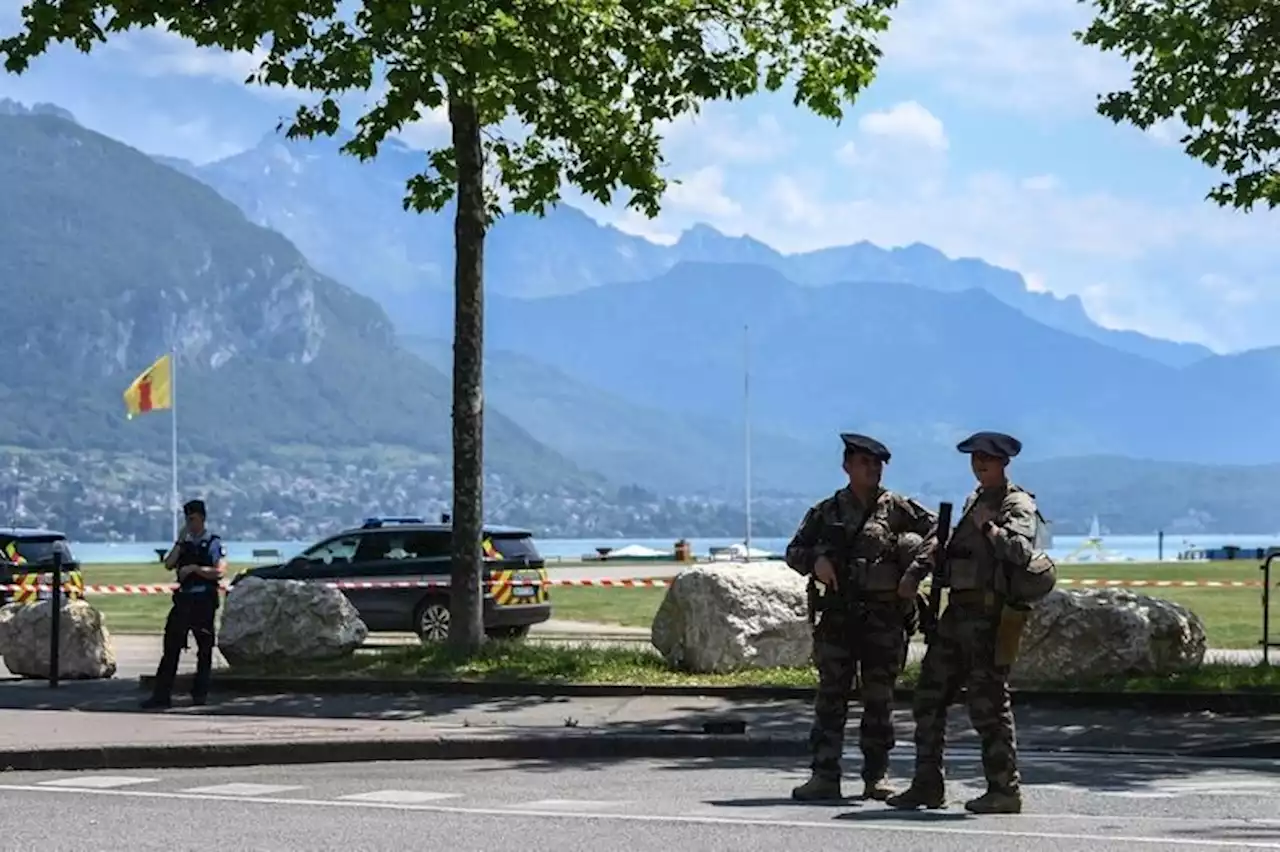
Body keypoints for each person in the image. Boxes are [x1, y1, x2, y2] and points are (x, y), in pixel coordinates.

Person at [887, 430, 1039, 814]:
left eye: (987, 458)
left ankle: (1004, 790)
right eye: (975, 458)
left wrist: (991, 527)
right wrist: (918, 569)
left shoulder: (1015, 503)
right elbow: (948, 546)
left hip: (989, 617)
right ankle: (927, 784)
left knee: (988, 705)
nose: (980, 464)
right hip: (957, 615)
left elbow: (1021, 551)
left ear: (1004, 462)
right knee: (928, 697)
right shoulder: (976, 500)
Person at [784, 432, 937, 802]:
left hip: (884, 617)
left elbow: (939, 533)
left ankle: (876, 775)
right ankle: (824, 774)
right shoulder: (828, 511)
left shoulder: (898, 508)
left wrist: (915, 570)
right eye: (864, 462)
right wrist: (815, 562)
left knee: (879, 699)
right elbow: (793, 550)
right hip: (838, 616)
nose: (873, 469)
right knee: (831, 698)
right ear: (847, 466)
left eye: (877, 463)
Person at [142, 499, 227, 709]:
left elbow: (220, 570)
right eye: (187, 519)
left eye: (193, 519)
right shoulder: (185, 543)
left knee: (204, 649)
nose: (190, 523)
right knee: (171, 648)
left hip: (204, 601)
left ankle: (200, 694)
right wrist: (180, 542)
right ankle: (161, 695)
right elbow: (169, 564)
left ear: (202, 518)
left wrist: (194, 569)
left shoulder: (213, 542)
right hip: (184, 600)